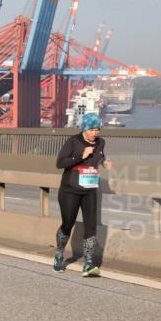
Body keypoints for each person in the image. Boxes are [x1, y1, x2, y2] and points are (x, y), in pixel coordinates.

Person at [54, 112, 112, 276]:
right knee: (67, 223)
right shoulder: (74, 141)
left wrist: (104, 162)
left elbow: (98, 156)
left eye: (98, 129)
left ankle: (88, 263)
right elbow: (60, 163)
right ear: (85, 128)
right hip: (70, 190)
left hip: (89, 190)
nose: (95, 133)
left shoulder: (101, 143)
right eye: (92, 129)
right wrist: (81, 155)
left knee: (91, 225)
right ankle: (59, 254)